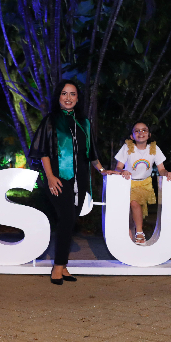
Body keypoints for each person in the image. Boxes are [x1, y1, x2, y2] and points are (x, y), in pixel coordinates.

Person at [29, 80, 114, 285]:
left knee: (70, 221)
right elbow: (43, 152)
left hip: (81, 180)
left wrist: (102, 170)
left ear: (78, 98)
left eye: (72, 94)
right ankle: (58, 267)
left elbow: (91, 152)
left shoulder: (84, 123)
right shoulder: (50, 120)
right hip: (58, 179)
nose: (68, 98)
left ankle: (64, 265)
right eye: (64, 94)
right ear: (58, 97)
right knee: (66, 219)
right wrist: (50, 176)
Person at [114, 123, 171, 245]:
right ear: (132, 136)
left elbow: (161, 169)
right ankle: (130, 233)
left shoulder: (154, 149)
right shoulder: (127, 148)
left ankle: (140, 233)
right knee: (130, 210)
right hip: (128, 183)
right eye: (136, 131)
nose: (140, 133)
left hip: (144, 184)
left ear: (149, 135)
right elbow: (117, 168)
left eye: (144, 130)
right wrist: (123, 171)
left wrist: (167, 173)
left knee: (135, 203)